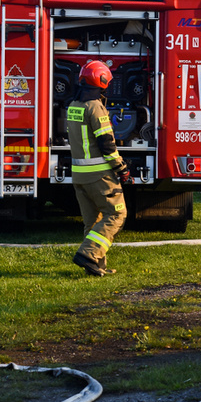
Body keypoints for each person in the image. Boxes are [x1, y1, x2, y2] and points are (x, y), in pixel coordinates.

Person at [68, 60, 132, 277]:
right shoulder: (96, 107)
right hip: (99, 174)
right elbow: (107, 143)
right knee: (117, 214)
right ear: (102, 81)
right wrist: (122, 168)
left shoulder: (74, 106)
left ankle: (96, 265)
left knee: (93, 221)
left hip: (79, 175)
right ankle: (87, 254)